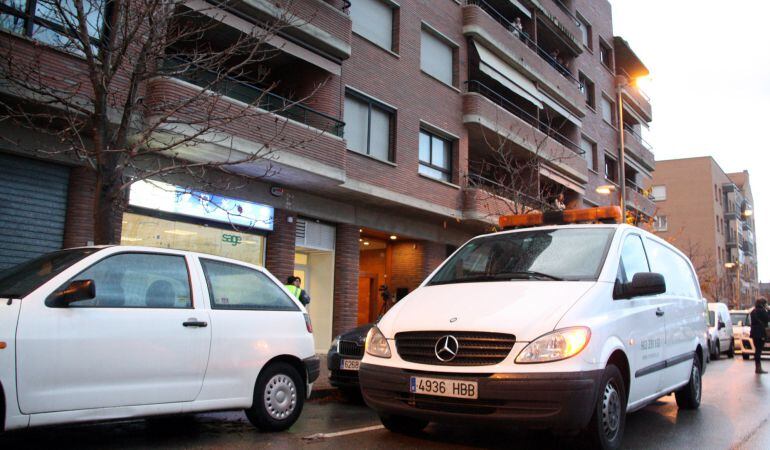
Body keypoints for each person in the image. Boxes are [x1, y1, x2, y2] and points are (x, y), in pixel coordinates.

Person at [750, 298, 769, 373]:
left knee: (757, 350)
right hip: (760, 333)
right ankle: (758, 368)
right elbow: (767, 319)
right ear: (763, 304)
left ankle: (757, 367)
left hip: (754, 333)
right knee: (759, 350)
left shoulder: (753, 311)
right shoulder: (762, 311)